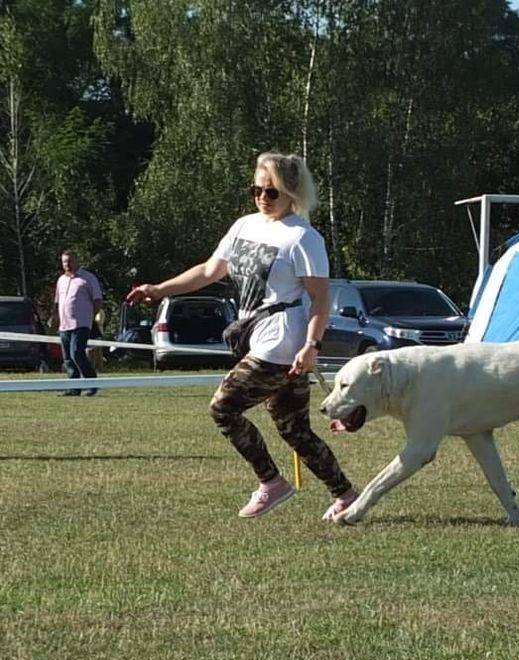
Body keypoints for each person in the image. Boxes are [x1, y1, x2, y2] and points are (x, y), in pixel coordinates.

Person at [126, 152, 358, 520]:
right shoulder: (244, 225)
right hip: (256, 334)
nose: (263, 198)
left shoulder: (304, 238)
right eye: (257, 190)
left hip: (282, 341)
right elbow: (208, 270)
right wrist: (159, 289)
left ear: (291, 192)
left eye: (272, 191)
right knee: (295, 430)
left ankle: (272, 482)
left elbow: (320, 300)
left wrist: (312, 346)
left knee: (223, 407)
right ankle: (346, 495)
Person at [52, 250, 103, 396]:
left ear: (77, 261)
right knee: (68, 358)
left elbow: (97, 300)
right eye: (64, 262)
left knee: (77, 353)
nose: (67, 264)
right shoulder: (61, 280)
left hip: (81, 324)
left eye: (69, 261)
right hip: (64, 325)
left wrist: (90, 317)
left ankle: (92, 383)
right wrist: (54, 315)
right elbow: (57, 301)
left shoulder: (88, 279)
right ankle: (74, 388)